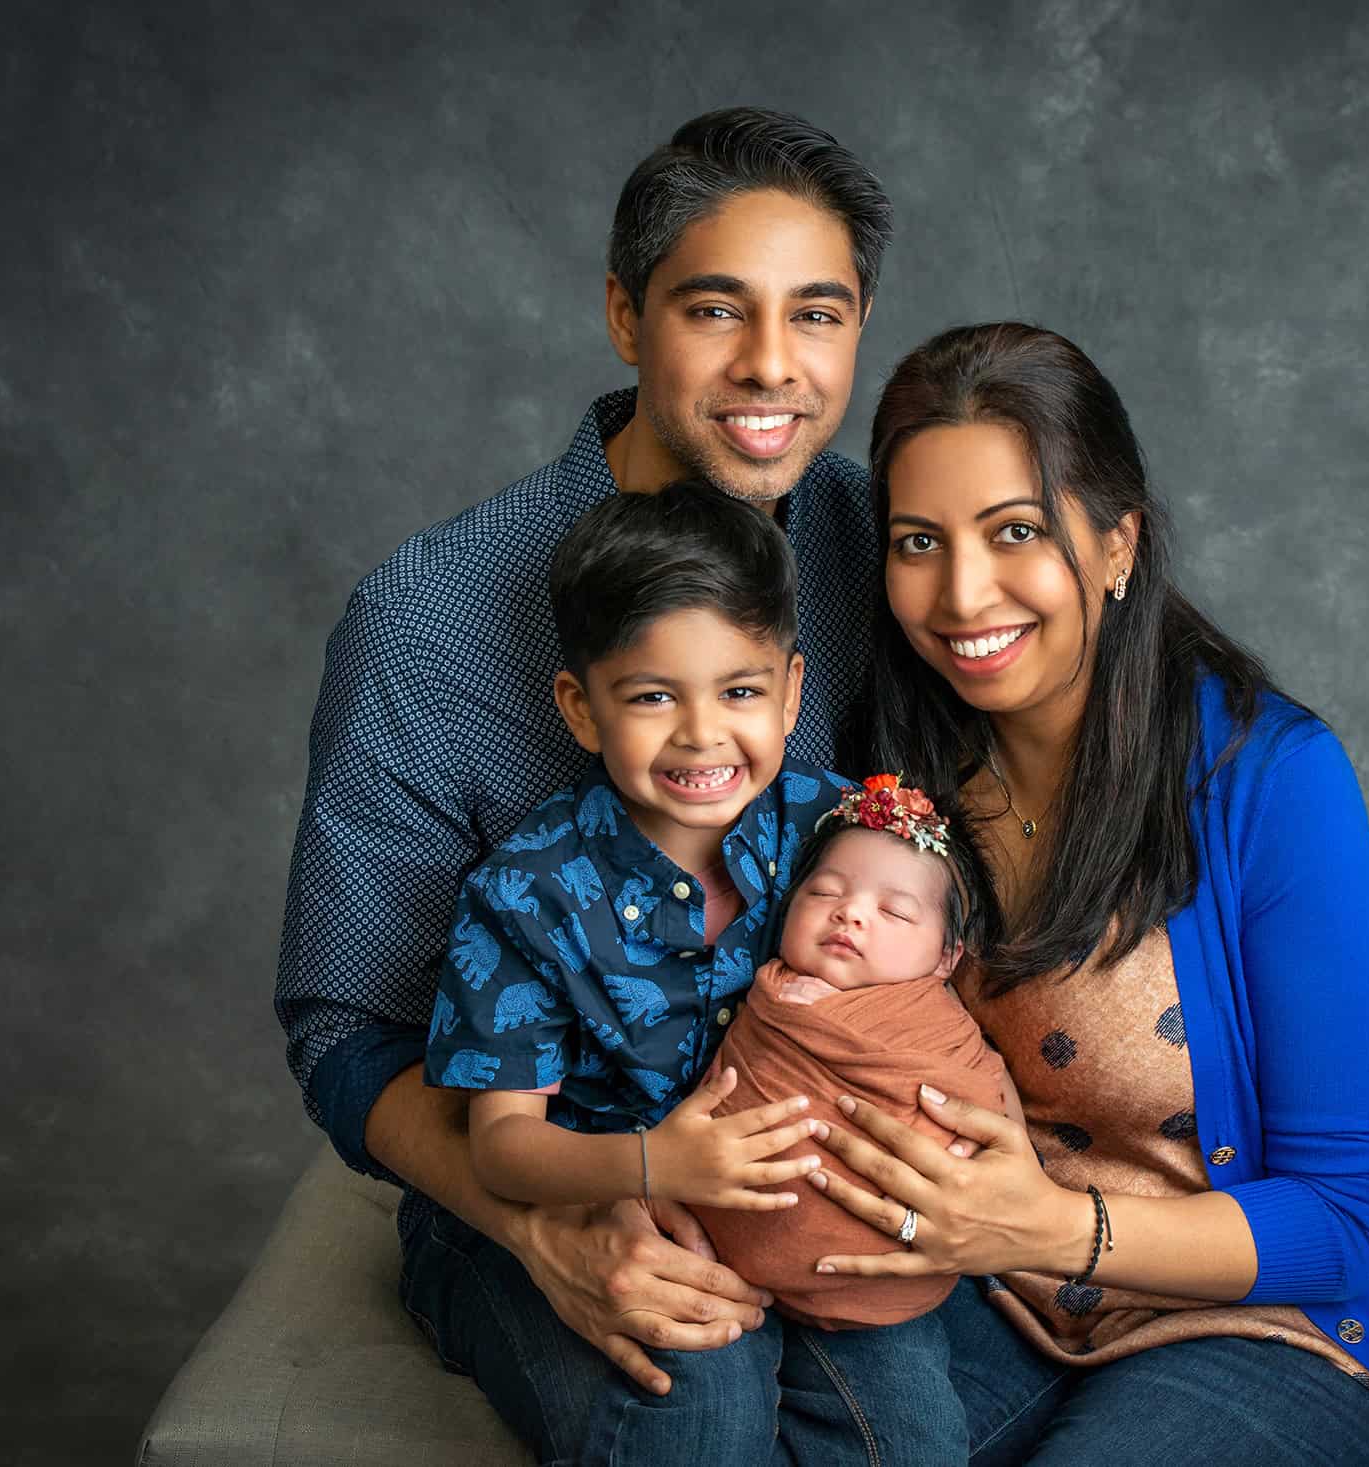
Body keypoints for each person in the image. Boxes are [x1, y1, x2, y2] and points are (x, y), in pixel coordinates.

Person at [273, 107, 904, 1463]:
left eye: (819, 315)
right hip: (538, 1154)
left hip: (817, 1136)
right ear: (625, 314)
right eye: (714, 310)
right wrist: (541, 1217)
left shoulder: (882, 547)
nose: (771, 368)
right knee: (705, 1391)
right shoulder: (427, 619)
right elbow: (346, 1025)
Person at [793, 322, 1369, 1464]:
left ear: (1117, 543)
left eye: (1015, 532)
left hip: (1264, 1318)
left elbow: (1348, 1216)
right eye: (917, 541)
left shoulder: (1270, 780)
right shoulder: (893, 771)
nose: (959, 592)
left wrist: (1052, 1223)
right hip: (993, 1298)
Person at [424, 478, 977, 1463]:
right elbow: (502, 1149)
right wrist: (652, 1164)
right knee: (707, 1402)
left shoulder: (835, 831)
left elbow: (918, 980)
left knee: (913, 1430)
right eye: (648, 696)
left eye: (738, 691)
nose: (700, 734)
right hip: (582, 1192)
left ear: (791, 691)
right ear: (581, 708)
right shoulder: (526, 894)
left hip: (783, 1215)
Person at [688, 775, 1013, 1332]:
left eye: (897, 912)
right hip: (718, 1257)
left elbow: (990, 1102)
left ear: (945, 959)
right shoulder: (772, 995)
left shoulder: (942, 1031)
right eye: (825, 892)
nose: (851, 913)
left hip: (886, 1287)